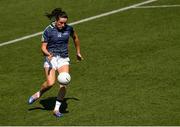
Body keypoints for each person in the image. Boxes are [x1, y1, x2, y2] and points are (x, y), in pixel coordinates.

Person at [28, 8, 83, 117]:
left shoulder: (69, 29)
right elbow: (43, 47)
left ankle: (56, 109)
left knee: (64, 83)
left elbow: (75, 38)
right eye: (61, 22)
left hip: (63, 58)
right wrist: (48, 55)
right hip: (51, 58)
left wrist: (78, 52)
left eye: (65, 23)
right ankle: (38, 93)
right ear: (56, 20)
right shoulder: (48, 30)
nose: (63, 25)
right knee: (50, 83)